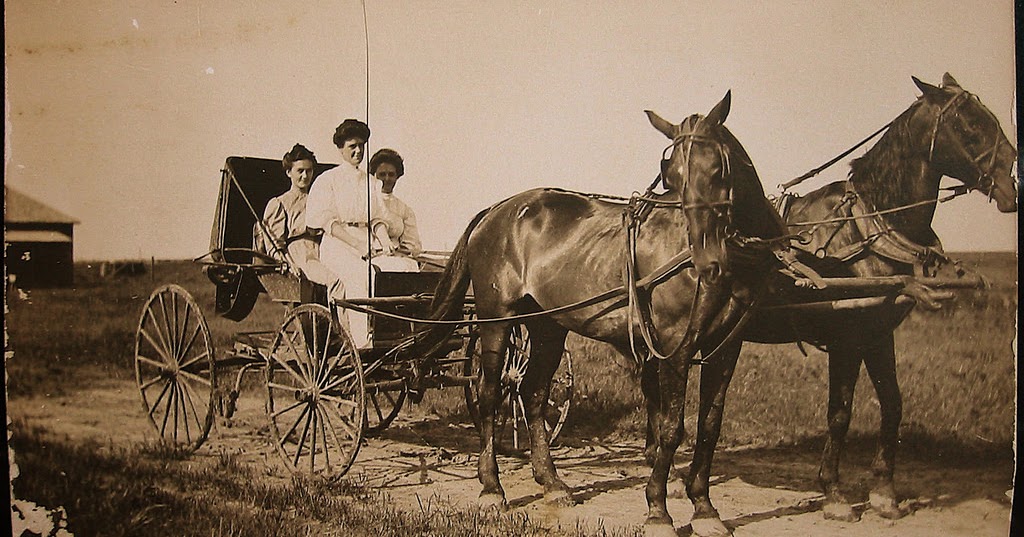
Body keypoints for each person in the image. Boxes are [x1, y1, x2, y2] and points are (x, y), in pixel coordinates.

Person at [305, 119, 388, 346]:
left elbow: (378, 219)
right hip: (337, 245)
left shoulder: (372, 183)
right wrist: (357, 244)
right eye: (352, 146)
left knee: (402, 268)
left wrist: (385, 240)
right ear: (341, 148)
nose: (358, 151)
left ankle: (393, 335)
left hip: (368, 241)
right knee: (362, 275)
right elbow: (326, 222)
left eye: (362, 145)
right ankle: (362, 342)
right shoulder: (327, 180)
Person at [256, 143, 343, 297]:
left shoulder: (320, 201)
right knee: (335, 281)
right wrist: (288, 264)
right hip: (301, 254)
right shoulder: (280, 203)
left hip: (324, 249)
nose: (305, 176)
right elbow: (275, 244)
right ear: (289, 172)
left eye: (308, 171)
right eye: (300, 171)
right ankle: (341, 322)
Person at [368, 148, 422, 272]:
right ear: (374, 176)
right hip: (371, 259)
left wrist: (404, 250)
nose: (387, 179)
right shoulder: (366, 201)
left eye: (391, 174)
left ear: (397, 176)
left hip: (398, 257)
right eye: (382, 174)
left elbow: (412, 243)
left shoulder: (404, 209)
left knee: (410, 267)